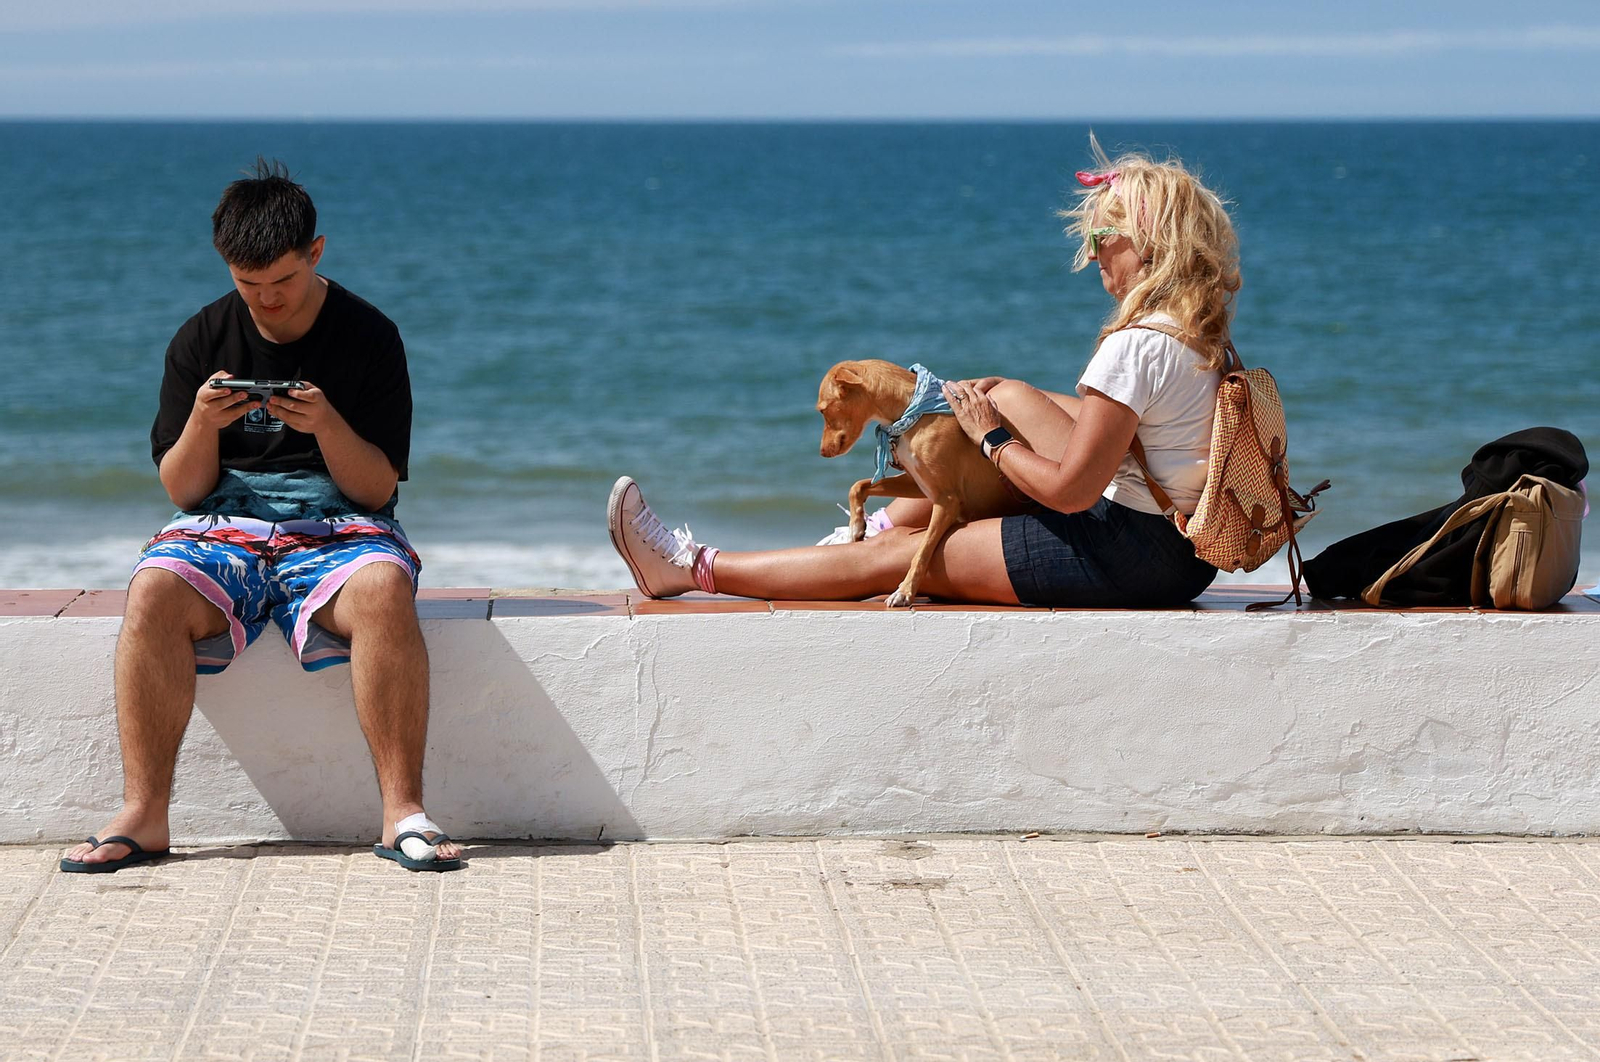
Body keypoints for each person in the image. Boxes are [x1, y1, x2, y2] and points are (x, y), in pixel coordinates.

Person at [607, 140, 1235, 608]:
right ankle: (867, 525)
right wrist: (999, 401)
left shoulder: (1132, 348)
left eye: (1102, 234)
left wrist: (993, 438)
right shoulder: (1195, 336)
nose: (1092, 250)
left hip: (1132, 554)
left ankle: (692, 567)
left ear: (1149, 245)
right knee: (1002, 399)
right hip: (1183, 552)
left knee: (906, 556)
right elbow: (1129, 440)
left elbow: (1073, 493)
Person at [61, 160, 461, 873]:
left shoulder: (370, 336)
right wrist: (202, 423)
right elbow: (182, 491)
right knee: (152, 586)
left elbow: (375, 492)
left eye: (283, 280)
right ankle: (145, 813)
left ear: (316, 252)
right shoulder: (199, 339)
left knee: (383, 586)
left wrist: (329, 425)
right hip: (223, 524)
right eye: (250, 285)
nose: (268, 301)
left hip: (341, 522)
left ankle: (404, 811)